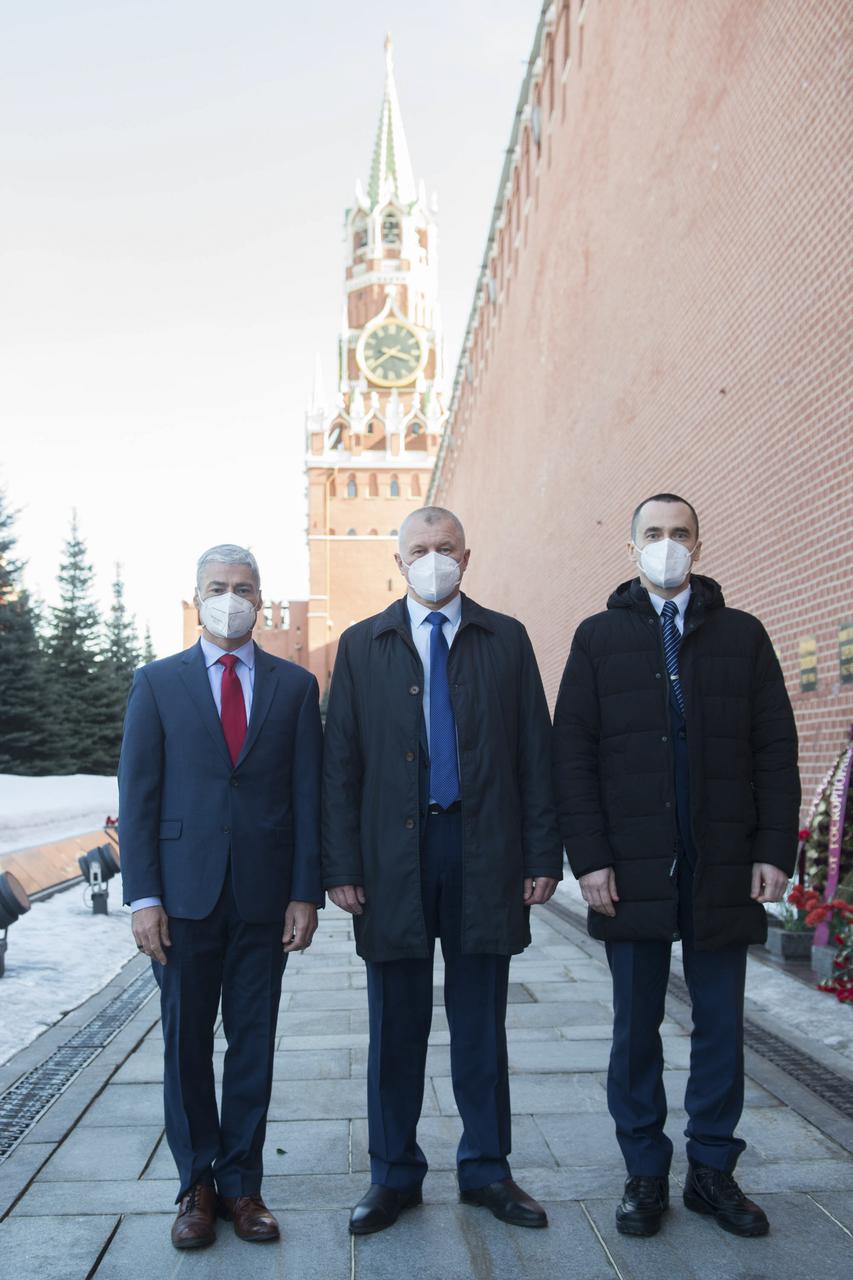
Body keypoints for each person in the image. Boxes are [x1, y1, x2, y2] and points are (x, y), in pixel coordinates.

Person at [552, 494, 800, 1239]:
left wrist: (771, 850)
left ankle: (713, 1170)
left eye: (679, 533)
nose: (667, 545)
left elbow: (774, 749)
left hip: (721, 861)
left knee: (720, 1023)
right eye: (653, 534)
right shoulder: (597, 638)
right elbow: (574, 755)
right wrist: (588, 860)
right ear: (631, 548)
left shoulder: (741, 636)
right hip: (630, 866)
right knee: (636, 1026)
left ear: (699, 542)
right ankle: (643, 1171)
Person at [322, 506, 563, 1235]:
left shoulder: (505, 638)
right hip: (391, 858)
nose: (434, 559)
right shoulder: (361, 646)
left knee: (480, 1023)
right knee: (394, 1025)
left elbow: (534, 753)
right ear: (398, 561)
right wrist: (342, 864)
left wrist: (539, 855)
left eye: (446, 548)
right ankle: (393, 1174)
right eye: (420, 549)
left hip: (481, 850)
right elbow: (340, 766)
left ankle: (487, 1168)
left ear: (468, 555)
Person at [118, 544, 322, 1251]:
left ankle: (242, 1185)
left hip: (264, 899)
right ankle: (194, 1186)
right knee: (185, 1045)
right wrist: (143, 896)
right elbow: (137, 798)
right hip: (181, 900)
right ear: (196, 596)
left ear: (260, 600)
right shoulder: (157, 682)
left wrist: (305, 892)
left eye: (242, 588)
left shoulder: (295, 689)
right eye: (217, 587)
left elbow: (307, 796)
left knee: (253, 1044)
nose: (230, 598)